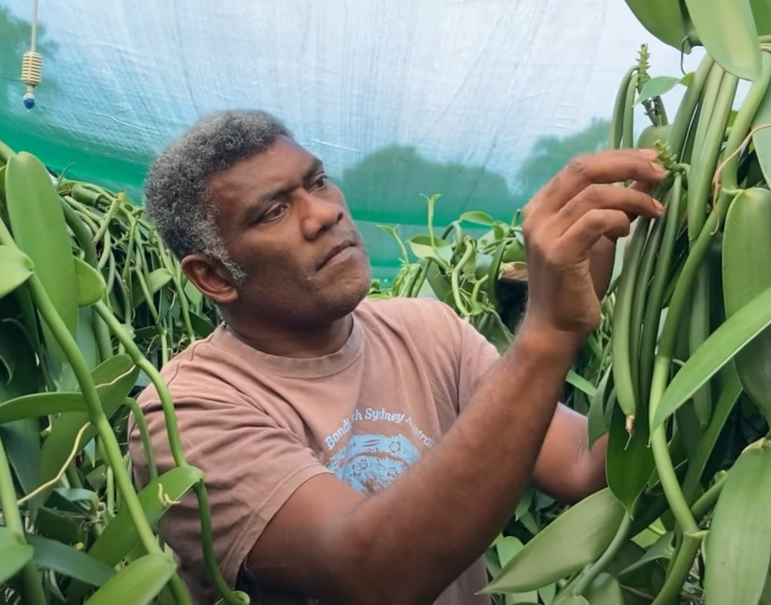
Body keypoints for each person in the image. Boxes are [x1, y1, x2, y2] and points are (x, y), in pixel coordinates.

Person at [128, 109, 666, 605]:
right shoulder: (186, 413)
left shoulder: (426, 330)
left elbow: (582, 461)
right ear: (214, 275)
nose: (325, 214)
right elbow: (372, 575)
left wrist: (687, 259)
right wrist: (549, 331)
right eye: (272, 212)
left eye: (317, 181)